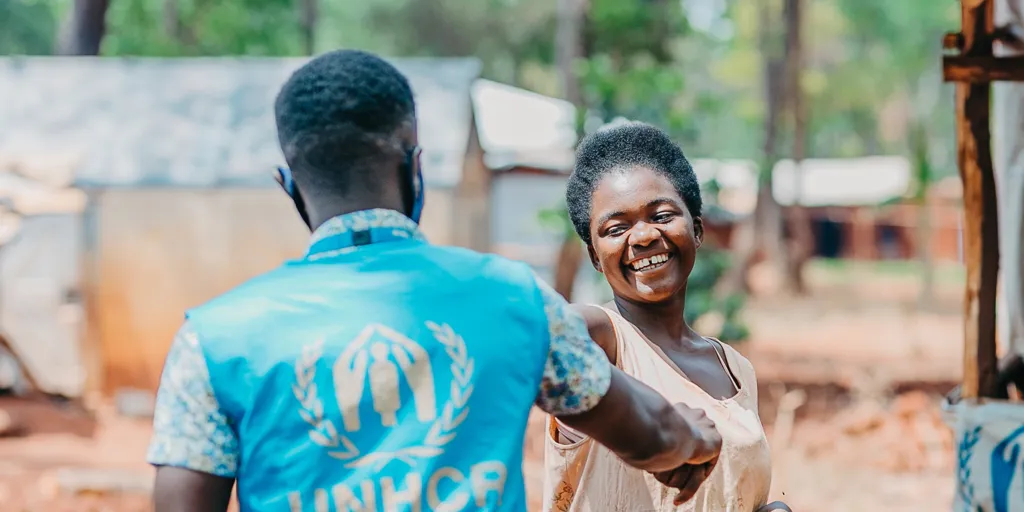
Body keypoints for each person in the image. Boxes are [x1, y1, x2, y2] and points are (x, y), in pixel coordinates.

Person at [146, 50, 722, 512]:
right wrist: (695, 443)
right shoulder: (514, 300)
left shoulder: (212, 339)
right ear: (414, 166)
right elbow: (647, 429)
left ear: (289, 183)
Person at [543, 122, 790, 512]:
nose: (642, 237)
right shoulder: (602, 340)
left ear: (695, 230)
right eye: (616, 227)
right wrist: (659, 431)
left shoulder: (735, 369)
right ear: (595, 256)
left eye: (661, 215)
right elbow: (545, 338)